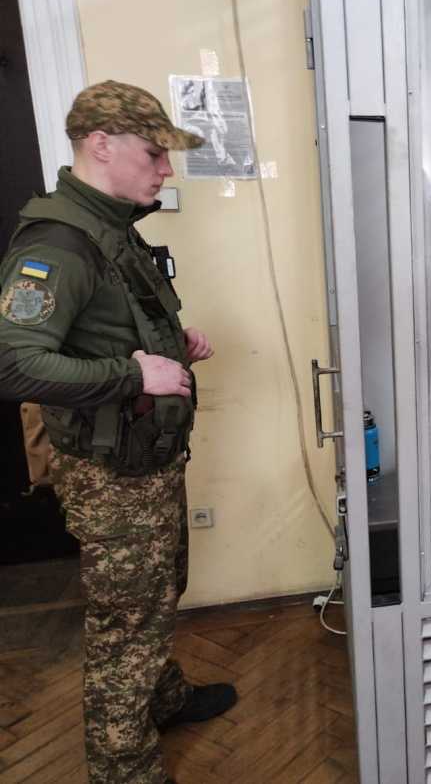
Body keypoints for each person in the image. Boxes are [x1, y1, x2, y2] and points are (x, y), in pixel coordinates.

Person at [0, 80, 237, 784]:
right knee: (127, 624)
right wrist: (135, 375)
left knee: (157, 595)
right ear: (101, 145)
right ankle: (123, 768)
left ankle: (161, 698)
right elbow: (14, 362)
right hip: (112, 478)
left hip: (144, 459)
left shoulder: (109, 226)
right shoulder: (59, 243)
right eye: (154, 153)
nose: (165, 169)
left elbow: (105, 328)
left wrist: (170, 347)